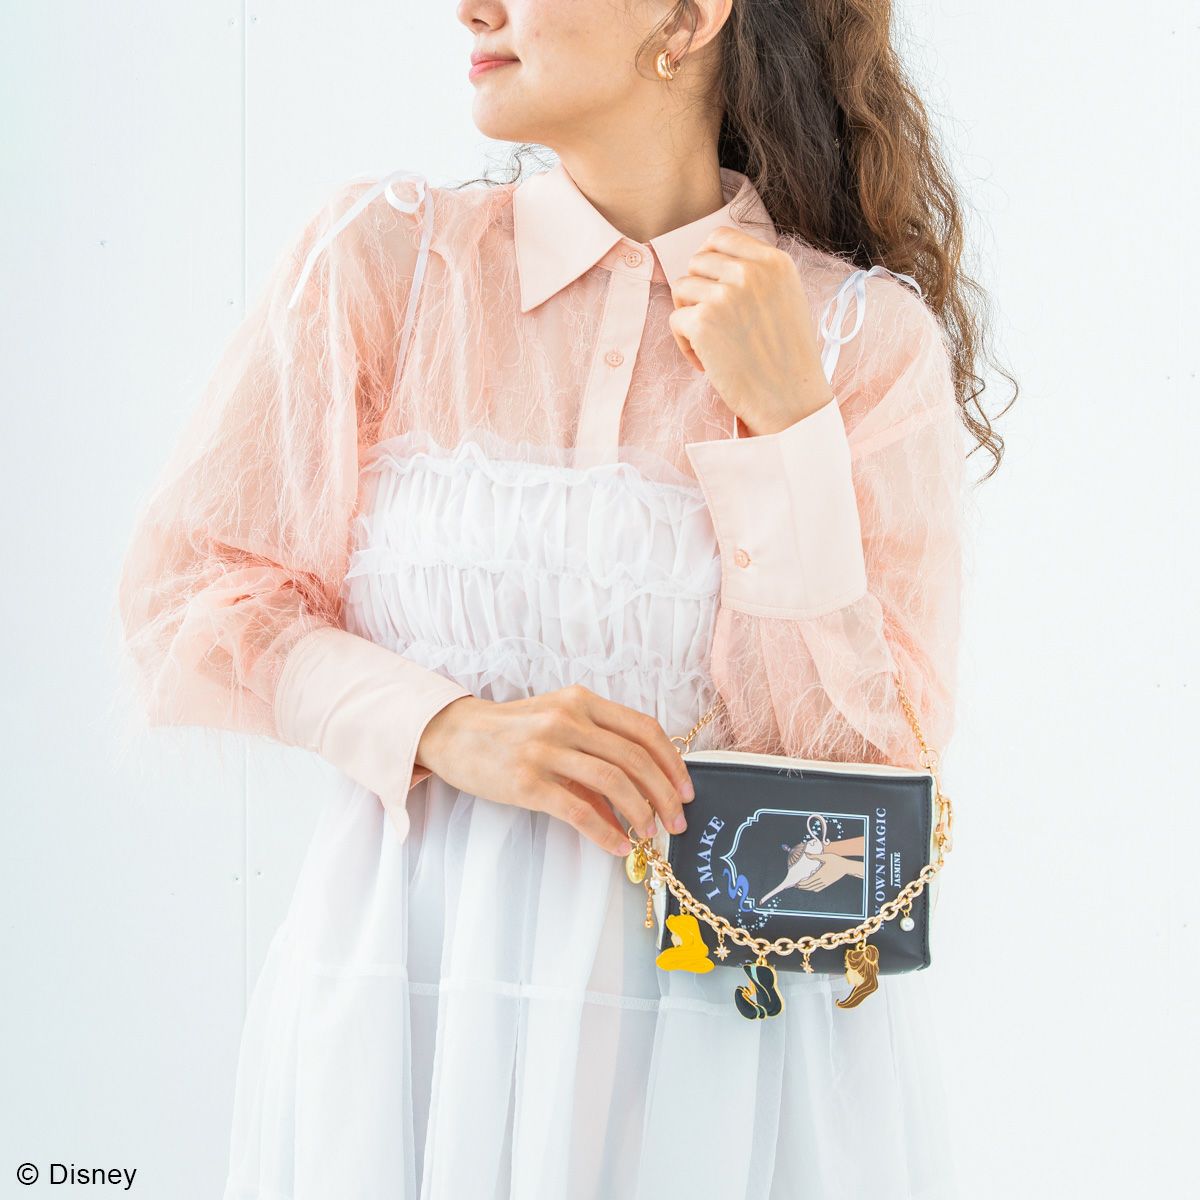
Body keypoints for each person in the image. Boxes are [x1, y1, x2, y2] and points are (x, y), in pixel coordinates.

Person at [117, 2, 1009, 1196]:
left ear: (688, 16)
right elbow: (192, 590)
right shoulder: (391, 265)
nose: (471, 7)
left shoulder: (859, 341)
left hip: (718, 1055)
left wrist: (787, 430)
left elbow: (872, 781)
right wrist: (447, 728)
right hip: (409, 1008)